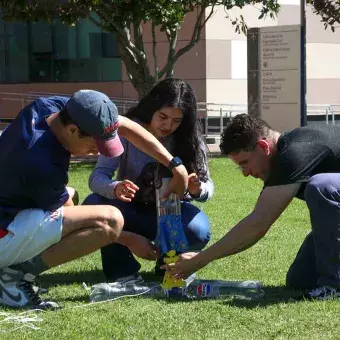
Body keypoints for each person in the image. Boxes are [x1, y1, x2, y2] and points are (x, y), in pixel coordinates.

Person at [0, 89, 188, 309]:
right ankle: (13, 277)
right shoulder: (40, 163)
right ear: (72, 130)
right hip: (5, 228)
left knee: (72, 195)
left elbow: (126, 126)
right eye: (93, 145)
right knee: (110, 220)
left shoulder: (52, 108)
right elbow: (72, 220)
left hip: (11, 205)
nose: (96, 153)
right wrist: (127, 239)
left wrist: (175, 166)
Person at [164, 113, 340, 300]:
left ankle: (333, 286)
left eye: (245, 163)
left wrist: (200, 259)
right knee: (300, 279)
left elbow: (258, 224)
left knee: (322, 186)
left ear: (263, 146)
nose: (246, 173)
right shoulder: (285, 156)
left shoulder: (295, 153)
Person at [83, 78, 213, 282]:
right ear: (151, 107)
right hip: (130, 209)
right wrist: (116, 188)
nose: (168, 125)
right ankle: (122, 270)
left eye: (176, 120)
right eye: (163, 116)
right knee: (92, 205)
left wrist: (197, 189)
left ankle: (169, 264)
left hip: (171, 211)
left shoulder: (190, 139)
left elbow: (207, 186)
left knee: (198, 229)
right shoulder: (126, 130)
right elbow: (97, 177)